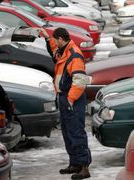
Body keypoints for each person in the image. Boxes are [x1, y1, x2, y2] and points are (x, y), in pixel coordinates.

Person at [39, 27, 91, 179]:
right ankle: (74, 163)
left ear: (61, 39)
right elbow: (55, 53)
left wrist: (70, 99)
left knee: (76, 132)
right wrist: (47, 39)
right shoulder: (64, 51)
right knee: (68, 132)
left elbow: (80, 81)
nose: (55, 43)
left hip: (72, 99)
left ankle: (83, 167)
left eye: (56, 40)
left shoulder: (74, 55)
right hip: (65, 98)